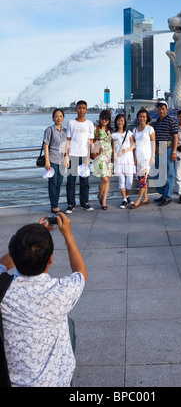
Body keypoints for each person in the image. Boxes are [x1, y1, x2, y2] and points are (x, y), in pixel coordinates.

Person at [0, 212, 87, 387]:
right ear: (51, 260)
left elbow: (3, 263)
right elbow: (80, 273)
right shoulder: (61, 291)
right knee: (67, 324)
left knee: (67, 322)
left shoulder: (3, 287)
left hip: (12, 382)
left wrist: (26, 242)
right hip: (55, 382)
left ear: (14, 257)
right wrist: (67, 234)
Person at [65, 100, 94, 213]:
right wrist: (66, 156)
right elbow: (68, 140)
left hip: (84, 156)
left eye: (83, 108)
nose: (81, 110)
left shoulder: (89, 124)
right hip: (72, 155)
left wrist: (88, 157)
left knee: (84, 182)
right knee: (71, 181)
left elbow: (90, 142)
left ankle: (84, 203)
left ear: (86, 110)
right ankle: (71, 204)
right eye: (79, 108)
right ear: (76, 109)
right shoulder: (71, 123)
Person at [153, 101, 178, 206]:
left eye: (163, 109)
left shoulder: (171, 121)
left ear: (167, 110)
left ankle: (167, 197)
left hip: (167, 148)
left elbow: (176, 137)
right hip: (157, 149)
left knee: (169, 174)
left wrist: (174, 151)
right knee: (158, 174)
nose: (161, 111)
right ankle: (163, 194)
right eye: (159, 109)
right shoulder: (156, 122)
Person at [43, 108, 67, 213]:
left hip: (62, 161)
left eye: (61, 116)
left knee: (59, 183)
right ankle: (54, 206)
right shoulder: (50, 130)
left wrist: (67, 157)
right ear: (53, 118)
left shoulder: (65, 131)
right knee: (53, 183)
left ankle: (55, 203)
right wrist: (47, 161)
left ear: (63, 118)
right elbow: (46, 145)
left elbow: (67, 146)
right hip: (52, 160)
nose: (58, 118)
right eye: (56, 116)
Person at [131, 108, 155, 208]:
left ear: (147, 118)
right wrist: (134, 158)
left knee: (142, 179)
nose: (142, 118)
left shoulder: (150, 129)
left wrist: (153, 156)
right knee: (142, 178)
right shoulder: (134, 130)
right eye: (140, 117)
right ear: (138, 118)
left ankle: (138, 200)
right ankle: (145, 198)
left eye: (144, 117)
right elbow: (133, 145)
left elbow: (153, 143)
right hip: (138, 157)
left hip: (146, 157)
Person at [112, 113, 135, 209]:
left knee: (129, 183)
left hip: (129, 158)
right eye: (118, 120)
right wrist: (114, 158)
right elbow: (113, 148)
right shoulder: (113, 135)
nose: (120, 122)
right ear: (116, 122)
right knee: (121, 181)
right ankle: (124, 199)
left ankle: (126, 196)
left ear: (124, 122)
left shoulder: (129, 133)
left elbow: (134, 145)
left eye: (122, 120)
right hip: (119, 160)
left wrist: (125, 150)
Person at [92, 109, 113, 210]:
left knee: (107, 178)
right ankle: (100, 195)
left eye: (106, 119)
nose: (104, 121)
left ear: (108, 120)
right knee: (104, 178)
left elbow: (113, 144)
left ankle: (104, 200)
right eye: (102, 118)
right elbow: (90, 142)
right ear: (100, 119)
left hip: (109, 156)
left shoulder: (110, 131)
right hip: (100, 156)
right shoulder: (95, 129)